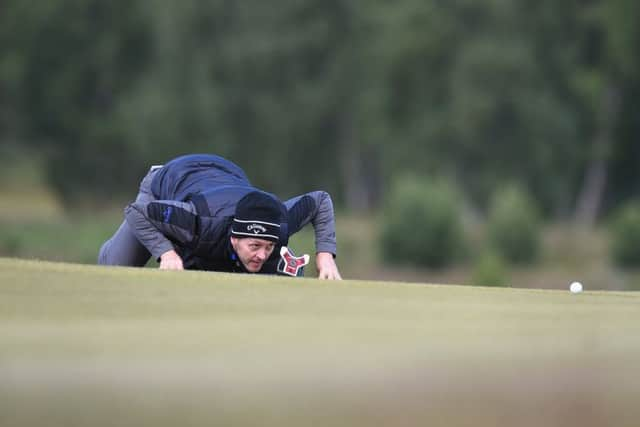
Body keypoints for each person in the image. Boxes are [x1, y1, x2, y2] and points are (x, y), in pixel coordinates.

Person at [98, 154, 342, 279]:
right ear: (235, 238)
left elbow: (320, 200)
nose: (262, 253)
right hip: (167, 182)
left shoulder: (279, 222)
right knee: (115, 267)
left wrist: (325, 257)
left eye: (268, 246)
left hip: (226, 175)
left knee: (258, 267)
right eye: (255, 245)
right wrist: (165, 253)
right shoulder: (194, 221)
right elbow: (136, 211)